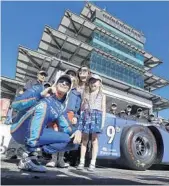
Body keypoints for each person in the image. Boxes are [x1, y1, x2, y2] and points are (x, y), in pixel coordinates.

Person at [10, 75, 81, 172]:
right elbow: (15, 104)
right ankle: (30, 154)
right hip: (19, 128)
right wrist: (40, 95)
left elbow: (67, 128)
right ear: (55, 83)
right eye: (61, 81)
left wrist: (76, 131)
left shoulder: (60, 107)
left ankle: (28, 153)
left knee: (70, 140)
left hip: (36, 134)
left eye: (67, 83)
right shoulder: (39, 88)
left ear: (69, 89)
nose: (64, 83)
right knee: (43, 106)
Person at [46, 69, 82, 168]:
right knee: (55, 134)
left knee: (65, 137)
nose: (71, 76)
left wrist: (75, 116)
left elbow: (78, 108)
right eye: (69, 74)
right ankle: (53, 159)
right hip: (57, 113)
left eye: (73, 75)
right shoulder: (60, 86)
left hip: (69, 115)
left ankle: (61, 159)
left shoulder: (76, 93)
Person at [77, 74, 106, 171]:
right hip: (86, 115)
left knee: (94, 140)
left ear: (100, 83)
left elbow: (103, 110)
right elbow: (82, 108)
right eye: (91, 81)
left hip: (96, 116)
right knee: (84, 139)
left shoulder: (102, 95)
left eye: (95, 81)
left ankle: (92, 162)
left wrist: (102, 123)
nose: (93, 83)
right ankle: (81, 161)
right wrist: (83, 107)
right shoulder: (86, 94)